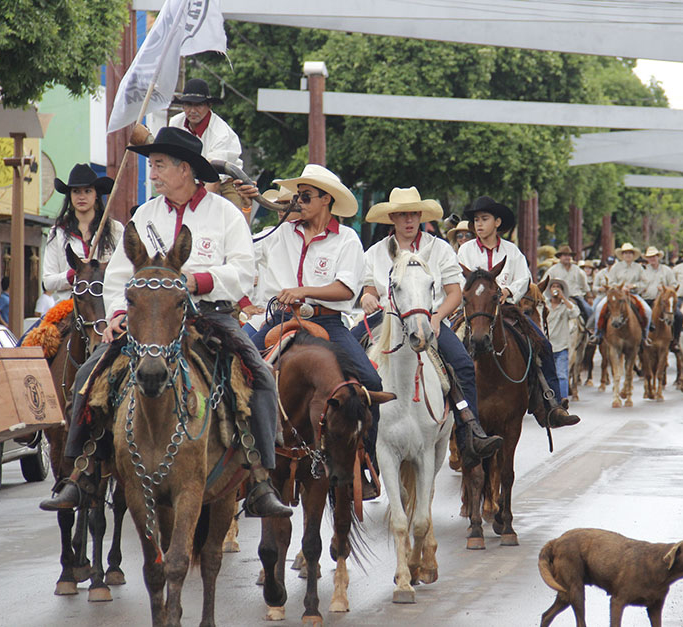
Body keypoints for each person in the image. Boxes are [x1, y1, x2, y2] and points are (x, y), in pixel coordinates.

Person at [40, 127, 292, 518]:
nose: (152, 173)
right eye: (152, 165)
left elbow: (244, 271)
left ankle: (260, 478)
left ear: (185, 169)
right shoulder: (144, 215)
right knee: (89, 373)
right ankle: (82, 471)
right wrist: (119, 315)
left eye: (158, 165)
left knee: (259, 373)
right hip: (150, 322)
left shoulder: (225, 214)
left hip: (211, 316)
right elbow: (120, 276)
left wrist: (196, 281)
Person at [239, 164, 385, 497]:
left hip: (327, 321)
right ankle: (241, 457)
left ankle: (364, 459)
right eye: (297, 196)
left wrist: (304, 291)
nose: (298, 202)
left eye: (305, 196)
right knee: (236, 366)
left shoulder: (347, 238)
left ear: (325, 200)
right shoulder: (280, 231)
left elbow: (347, 290)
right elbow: (243, 246)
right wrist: (248, 207)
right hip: (280, 319)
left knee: (371, 383)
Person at [352, 186, 503, 467]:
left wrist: (437, 316)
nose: (409, 220)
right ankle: (353, 438)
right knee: (346, 358)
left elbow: (455, 292)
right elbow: (369, 289)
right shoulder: (375, 252)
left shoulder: (440, 248)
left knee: (462, 364)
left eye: (413, 214)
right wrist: (369, 297)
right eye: (402, 215)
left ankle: (469, 432)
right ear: (393, 219)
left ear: (420, 216)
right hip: (386, 318)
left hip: (430, 317)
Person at [457, 195, 579, 428]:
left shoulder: (512, 252)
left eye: (484, 219)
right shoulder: (465, 252)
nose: (479, 224)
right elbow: (457, 278)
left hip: (507, 311)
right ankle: (447, 404)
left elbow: (524, 279)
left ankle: (551, 404)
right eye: (476, 220)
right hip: (472, 313)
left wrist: (507, 291)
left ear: (497, 222)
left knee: (543, 344)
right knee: (448, 348)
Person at [42, 163, 123, 302]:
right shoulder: (58, 232)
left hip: (106, 305)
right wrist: (74, 274)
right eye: (76, 191)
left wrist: (98, 271)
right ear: (70, 195)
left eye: (87, 191)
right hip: (68, 307)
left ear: (96, 195)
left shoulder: (115, 229)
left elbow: (124, 271)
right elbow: (48, 281)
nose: (81, 197)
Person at [170, 78, 246, 211]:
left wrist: (196, 209)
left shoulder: (221, 133)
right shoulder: (175, 123)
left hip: (224, 182)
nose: (193, 110)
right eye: (188, 104)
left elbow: (214, 182)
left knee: (234, 217)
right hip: (187, 180)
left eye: (198, 105)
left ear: (209, 106)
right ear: (183, 106)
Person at [589, 242, 652, 346]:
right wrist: (619, 288)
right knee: (599, 307)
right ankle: (597, 334)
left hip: (632, 294)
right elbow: (611, 281)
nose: (628, 255)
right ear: (622, 255)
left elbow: (645, 283)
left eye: (630, 253)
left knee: (648, 311)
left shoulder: (639, 268)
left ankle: (645, 336)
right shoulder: (616, 267)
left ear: (633, 255)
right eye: (625, 253)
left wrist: (634, 286)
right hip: (617, 295)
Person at [545, 278, 579, 399]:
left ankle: (562, 400)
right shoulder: (544, 305)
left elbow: (575, 313)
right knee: (545, 376)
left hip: (561, 345)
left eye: (558, 287)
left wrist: (564, 298)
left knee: (562, 375)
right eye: (553, 286)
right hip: (546, 346)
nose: (555, 289)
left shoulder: (566, 306)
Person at [542, 245, 592, 321]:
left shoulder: (577, 270)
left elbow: (585, 285)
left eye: (569, 255)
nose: (567, 257)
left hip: (575, 297)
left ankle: (590, 330)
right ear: (560, 257)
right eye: (565, 255)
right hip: (556, 297)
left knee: (588, 310)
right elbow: (543, 283)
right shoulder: (552, 270)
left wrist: (589, 295)